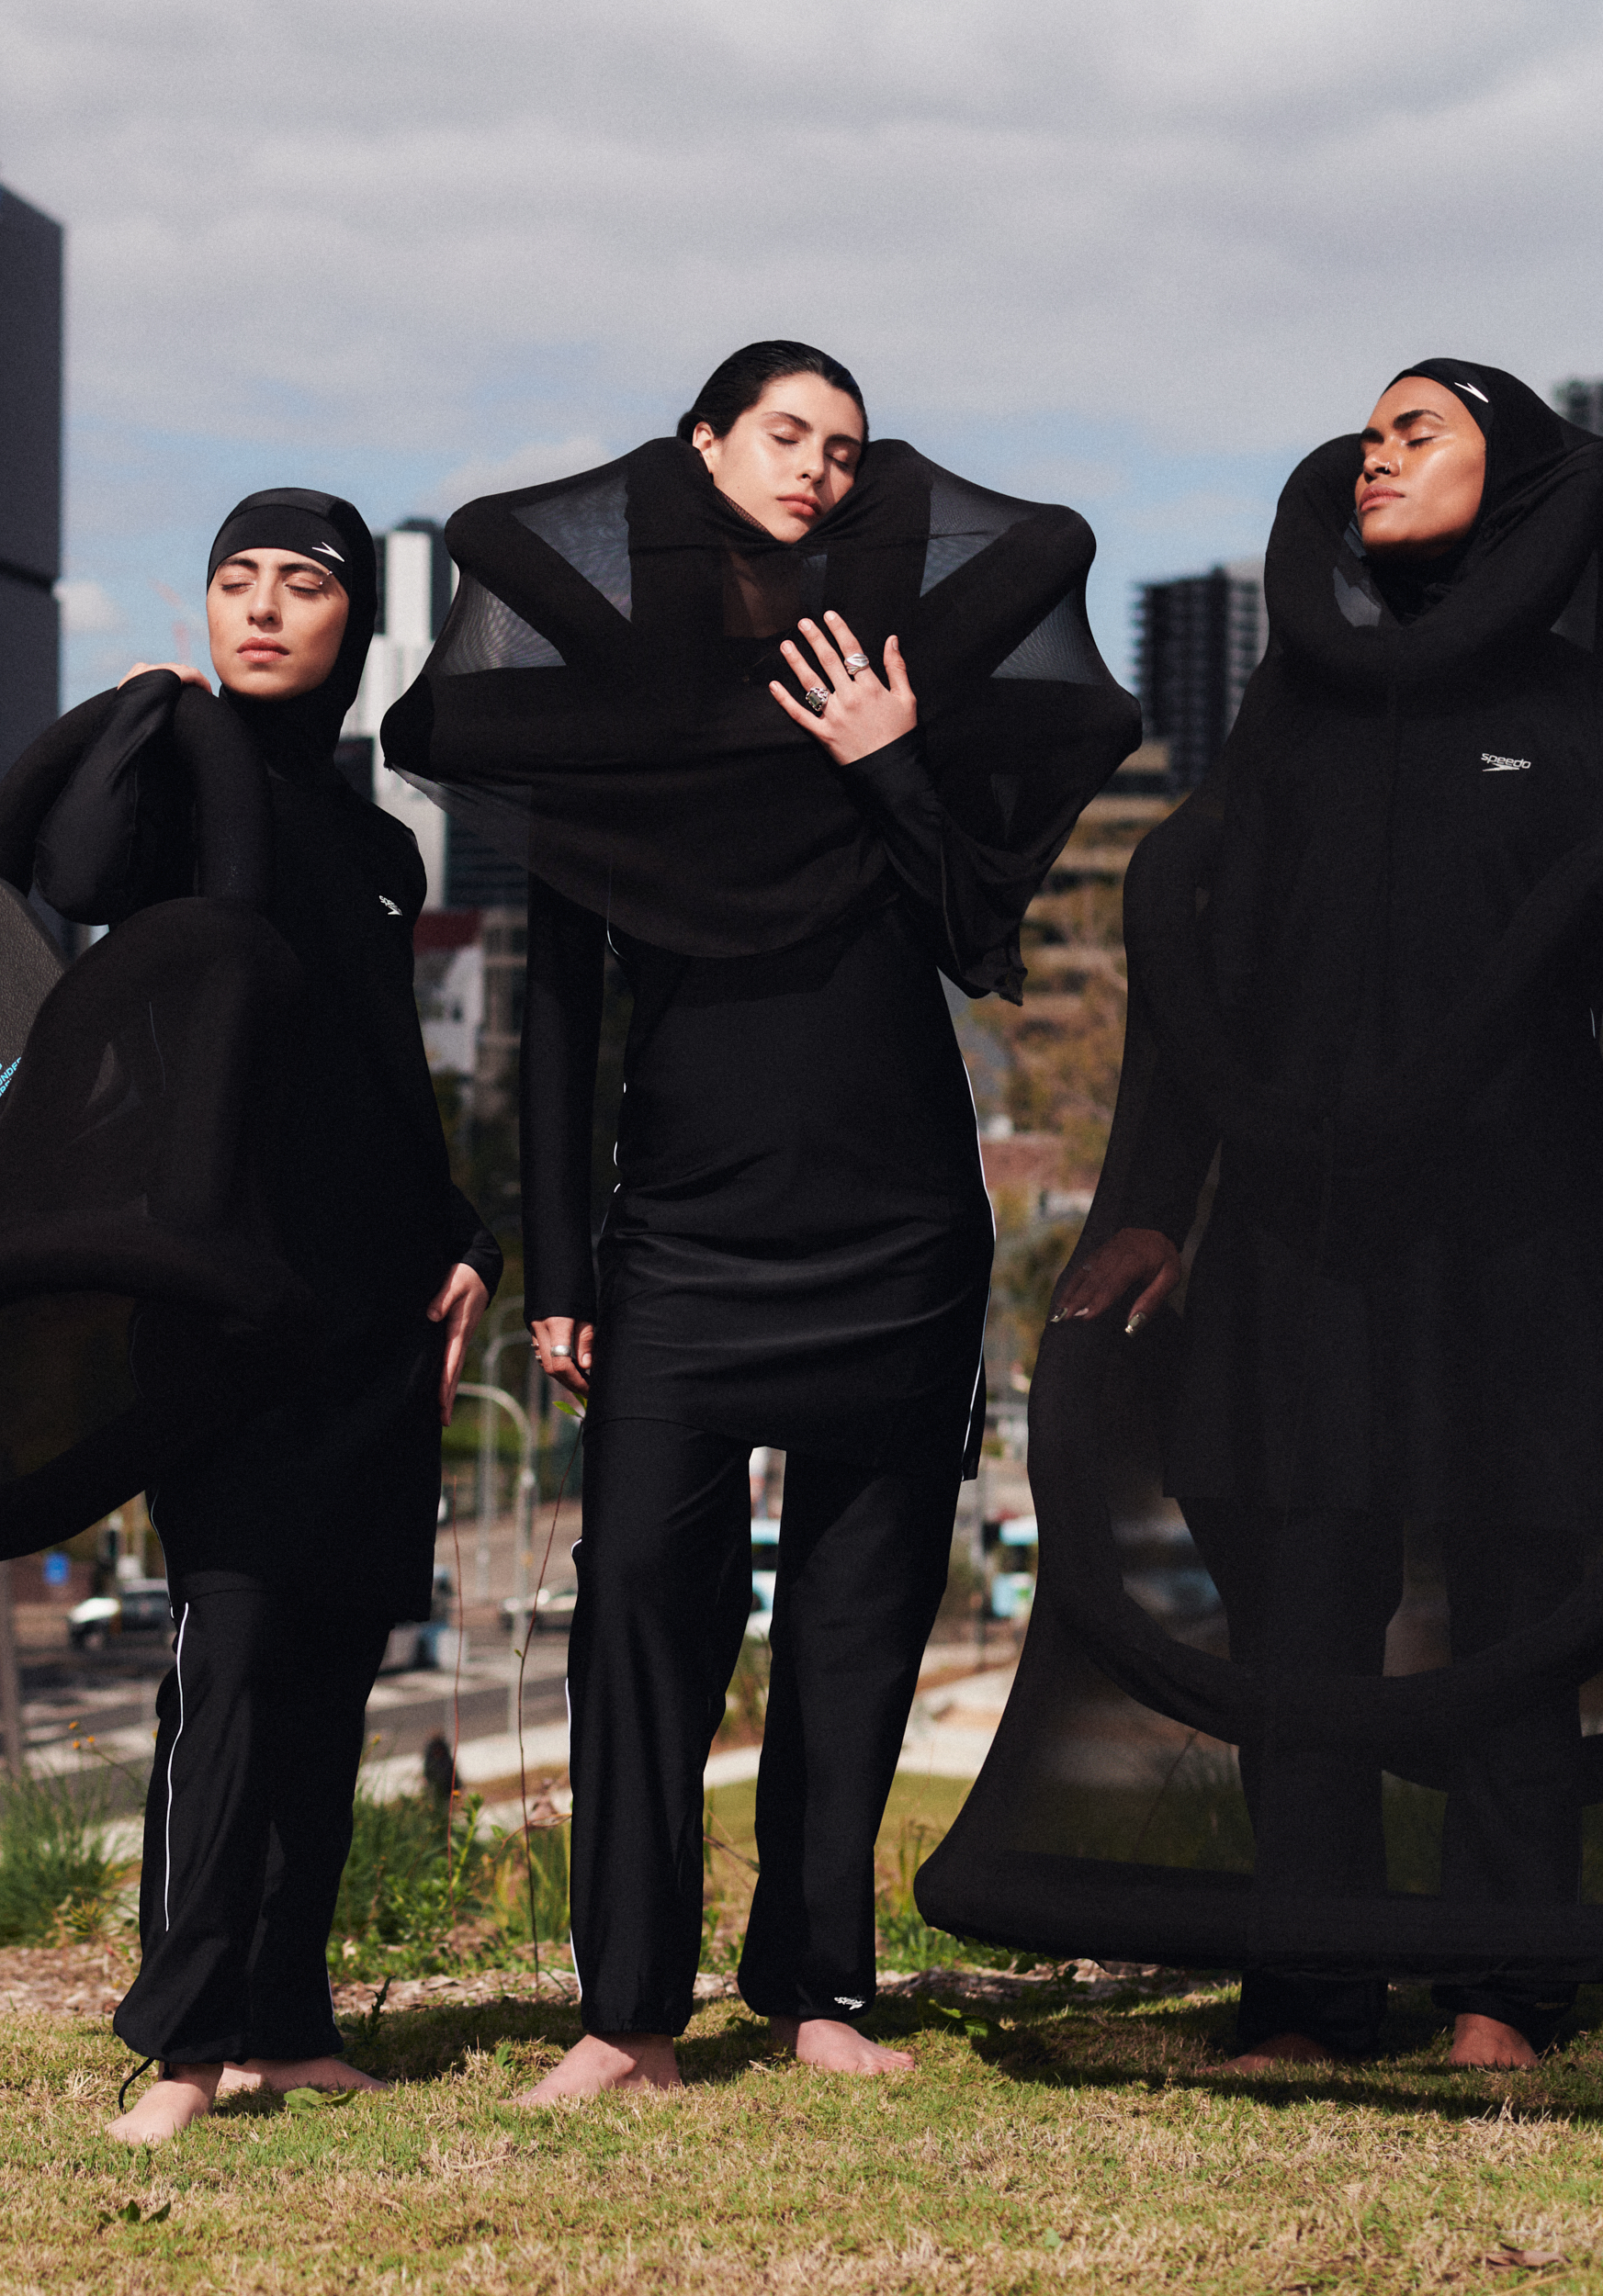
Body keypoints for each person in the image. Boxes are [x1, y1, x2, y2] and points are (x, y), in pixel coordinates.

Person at [1010, 361, 1603, 2065]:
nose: (1376, 458)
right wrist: (1150, 1212)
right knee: (1304, 1600)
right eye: (1366, 437)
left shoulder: (1597, 714)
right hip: (1298, 1240)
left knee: (1522, 1606)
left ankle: (1499, 1991)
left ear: (1512, 485)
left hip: (1523, 1234)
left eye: (1417, 432)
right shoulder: (1292, 706)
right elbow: (1197, 970)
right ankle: (1309, 1990)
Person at [380, 343, 1138, 2097]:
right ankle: (625, 2017)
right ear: (702, 449)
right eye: (783, 433)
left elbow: (981, 942)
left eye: (845, 449)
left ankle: (819, 1993)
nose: (815, 467)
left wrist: (888, 757)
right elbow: (553, 1018)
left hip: (901, 1234)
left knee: (862, 1622)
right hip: (685, 1242)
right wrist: (561, 1265)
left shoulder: (898, 681)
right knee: (642, 1602)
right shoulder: (608, 709)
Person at [12, 490, 499, 2144]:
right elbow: (61, 878)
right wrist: (145, 717)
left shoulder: (380, 849)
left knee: (336, 1665)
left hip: (375, 1303)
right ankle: (185, 2038)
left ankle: (289, 2015)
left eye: (307, 586)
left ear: (356, 626)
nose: (270, 608)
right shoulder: (171, 784)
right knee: (228, 1653)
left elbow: (384, 1075)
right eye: (242, 581)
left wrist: (466, 1240)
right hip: (225, 1303)